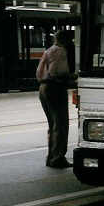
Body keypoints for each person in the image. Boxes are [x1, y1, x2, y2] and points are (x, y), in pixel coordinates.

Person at [36, 31, 73, 169]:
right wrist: (72, 77)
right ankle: (58, 158)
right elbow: (57, 72)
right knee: (61, 124)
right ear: (66, 40)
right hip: (55, 89)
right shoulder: (61, 51)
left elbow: (39, 72)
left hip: (43, 88)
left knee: (52, 125)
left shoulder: (48, 51)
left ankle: (51, 156)